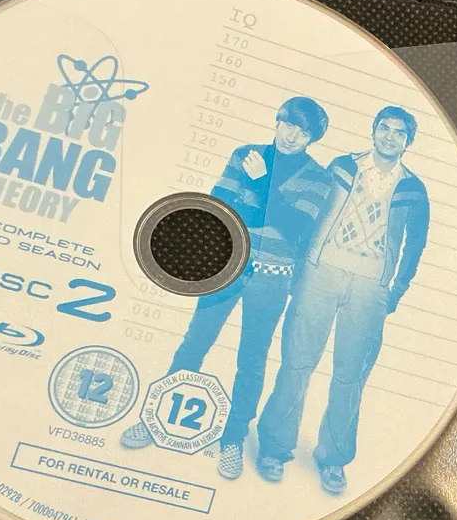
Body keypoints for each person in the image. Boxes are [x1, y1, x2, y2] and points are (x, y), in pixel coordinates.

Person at [121, 96, 333, 481]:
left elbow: (296, 230)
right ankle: (155, 419)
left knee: (251, 359)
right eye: (288, 124)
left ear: (312, 138)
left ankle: (233, 439)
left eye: (303, 132)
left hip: (273, 278)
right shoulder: (245, 155)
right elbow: (220, 209)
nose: (291, 136)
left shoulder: (318, 179)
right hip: (227, 267)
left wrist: (259, 185)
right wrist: (266, 206)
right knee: (194, 343)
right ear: (278, 120)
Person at [254, 105, 430, 494]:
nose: (389, 136)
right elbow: (312, 217)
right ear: (373, 130)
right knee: (297, 362)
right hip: (321, 273)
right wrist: (300, 269)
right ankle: (274, 447)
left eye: (399, 132)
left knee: (351, 374)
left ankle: (333, 459)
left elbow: (415, 245)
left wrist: (396, 290)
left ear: (408, 142)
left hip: (370, 287)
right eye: (384, 128)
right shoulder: (342, 167)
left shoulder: (414, 189)